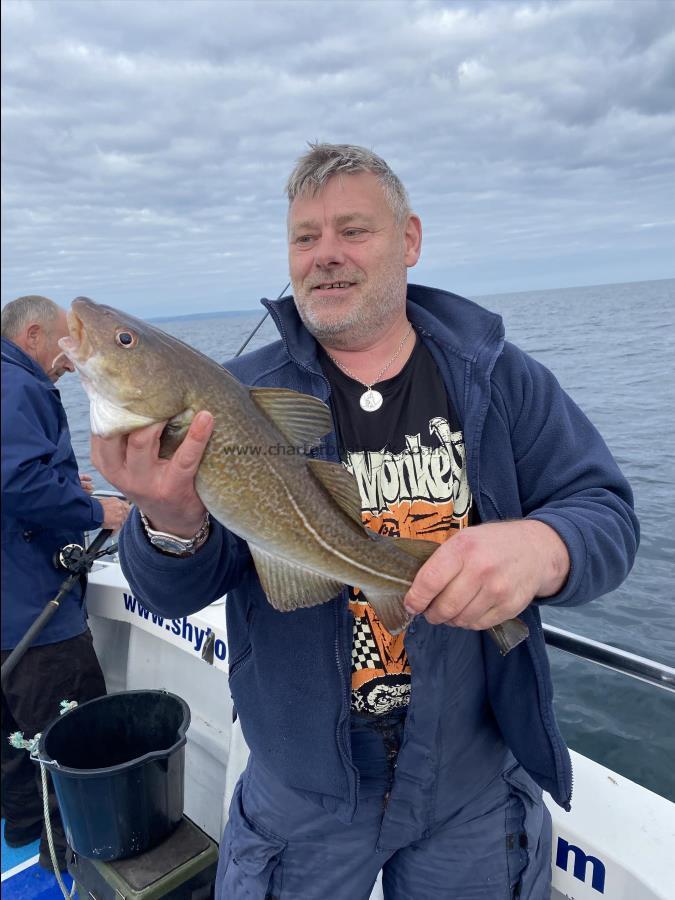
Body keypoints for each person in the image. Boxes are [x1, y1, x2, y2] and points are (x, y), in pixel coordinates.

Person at [92, 145, 639, 898]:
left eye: (353, 230)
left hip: (472, 776)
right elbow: (173, 593)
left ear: (408, 239)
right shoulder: (237, 399)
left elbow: (606, 513)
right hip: (303, 790)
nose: (325, 256)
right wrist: (167, 522)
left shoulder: (498, 378)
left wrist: (545, 548)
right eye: (304, 238)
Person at [1, 294, 130, 871]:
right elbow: (20, 484)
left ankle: (30, 834)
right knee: (73, 738)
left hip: (8, 609)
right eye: (63, 342)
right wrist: (94, 509)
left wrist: (62, 480)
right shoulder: (21, 386)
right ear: (32, 334)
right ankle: (75, 857)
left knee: (13, 742)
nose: (70, 359)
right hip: (35, 614)